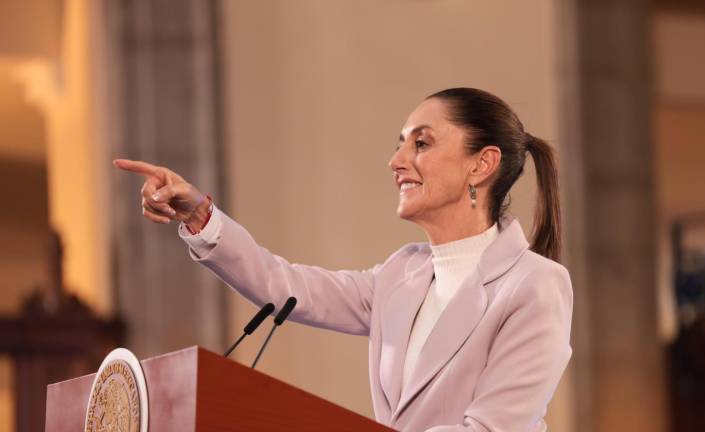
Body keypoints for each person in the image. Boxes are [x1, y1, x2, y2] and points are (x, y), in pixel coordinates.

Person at [114, 87, 573, 432]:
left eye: (421, 143)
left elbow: (493, 429)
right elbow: (284, 287)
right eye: (400, 143)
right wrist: (200, 216)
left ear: (482, 164)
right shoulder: (401, 275)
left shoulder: (534, 285)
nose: (396, 160)